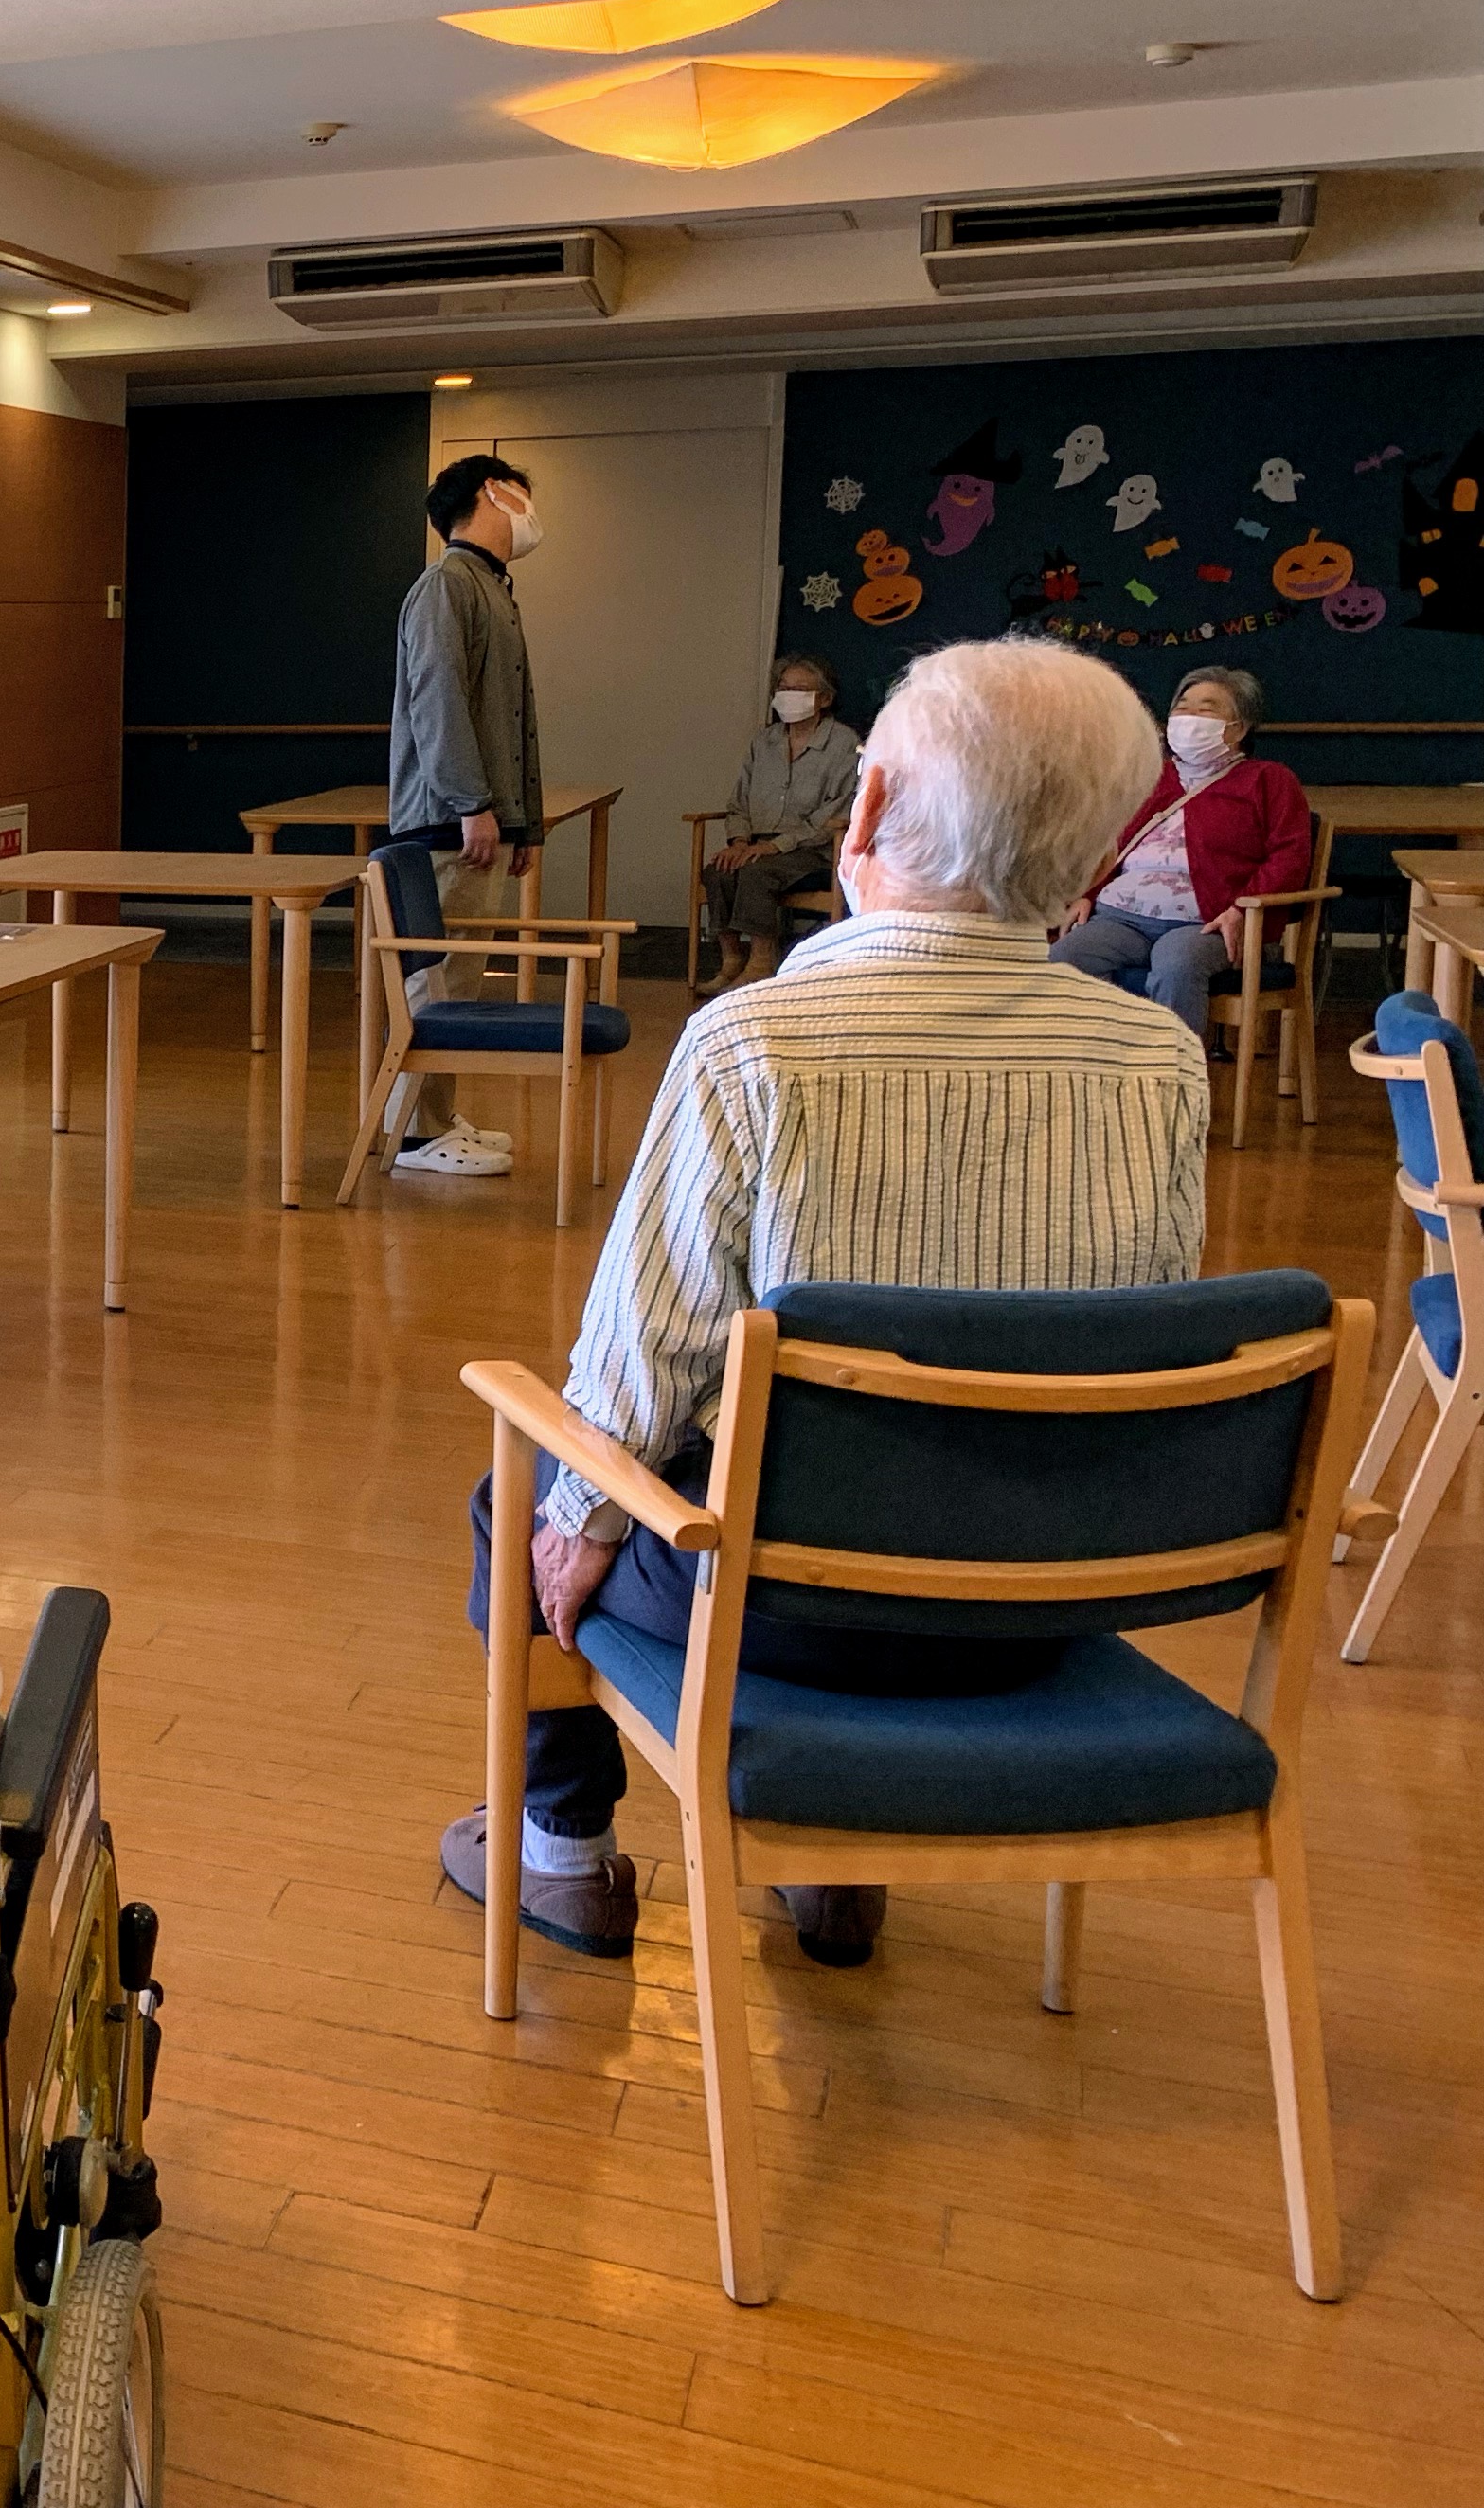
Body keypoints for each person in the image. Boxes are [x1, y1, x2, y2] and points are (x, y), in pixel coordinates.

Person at [438, 639, 1206, 1970]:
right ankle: (832, 1862)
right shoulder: (1161, 1059)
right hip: (1040, 1608)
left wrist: (575, 1526)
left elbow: (638, 1367)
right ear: (1094, 862)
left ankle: (564, 1858)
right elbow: (1140, 1345)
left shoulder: (752, 1041)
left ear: (866, 807)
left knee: (523, 1494)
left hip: (784, 1606)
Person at [383, 454, 547, 1179]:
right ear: (493, 492)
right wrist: (472, 804)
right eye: (524, 496)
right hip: (448, 821)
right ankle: (414, 1136)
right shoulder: (446, 586)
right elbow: (438, 703)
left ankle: (435, 1117)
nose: (533, 514)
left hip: (479, 819)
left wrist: (523, 823)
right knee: (437, 980)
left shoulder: (491, 587)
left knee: (462, 977)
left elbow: (515, 719)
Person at [1050, 665, 1314, 1041]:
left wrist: (1241, 909)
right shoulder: (1149, 775)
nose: (1189, 716)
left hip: (1204, 923)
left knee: (1177, 964)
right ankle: (1090, 1068)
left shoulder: (1269, 780)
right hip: (1121, 916)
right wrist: (1086, 892)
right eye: (1182, 706)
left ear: (1239, 728)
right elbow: (1108, 839)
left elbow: (1289, 855)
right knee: (1065, 958)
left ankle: (1173, 1074)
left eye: (1206, 709)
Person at [699, 655, 861, 991]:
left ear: (824, 698)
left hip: (813, 848)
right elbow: (739, 801)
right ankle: (731, 961)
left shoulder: (843, 744)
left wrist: (775, 846)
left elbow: (837, 811)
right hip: (758, 842)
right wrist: (739, 842)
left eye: (799, 690)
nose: (788, 696)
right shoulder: (764, 742)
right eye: (783, 688)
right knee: (718, 870)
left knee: (758, 872)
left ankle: (761, 962)